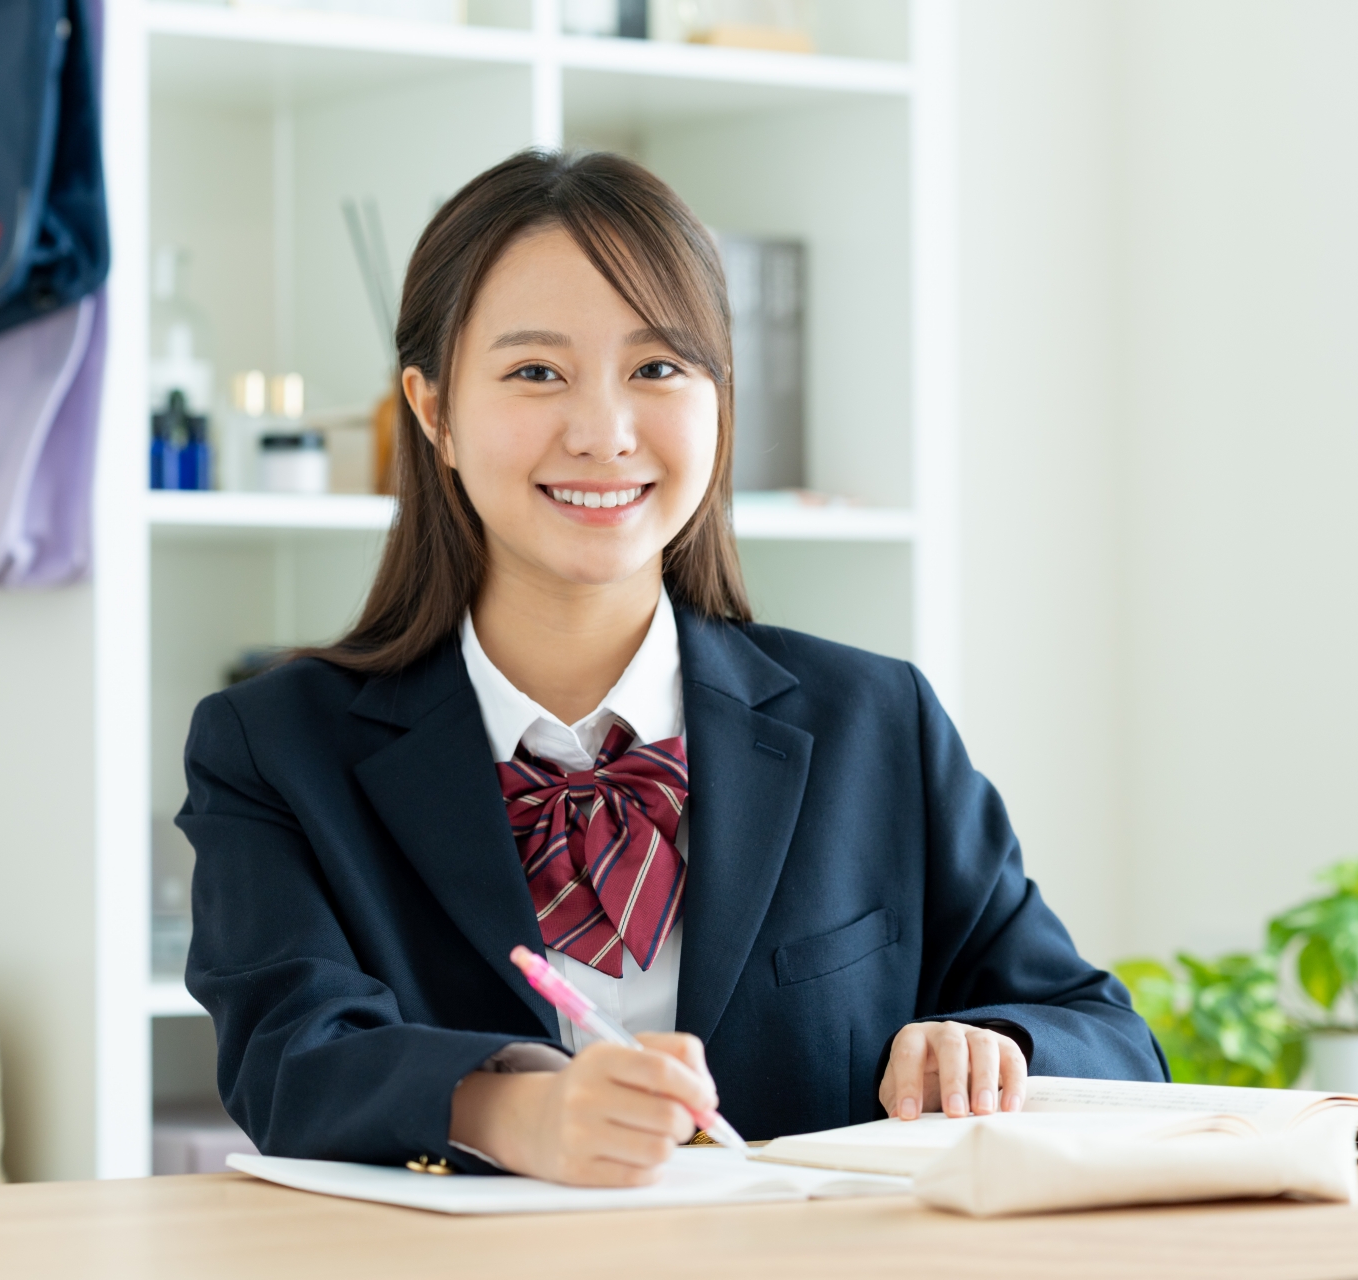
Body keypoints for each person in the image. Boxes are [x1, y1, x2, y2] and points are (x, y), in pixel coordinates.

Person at [178, 149, 1166, 1188]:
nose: (603, 432)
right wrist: (521, 1109)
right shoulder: (275, 746)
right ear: (432, 413)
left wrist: (995, 1045)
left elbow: (1107, 1035)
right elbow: (290, 1058)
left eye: (657, 368)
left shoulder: (877, 720)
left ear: (717, 397)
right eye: (534, 371)